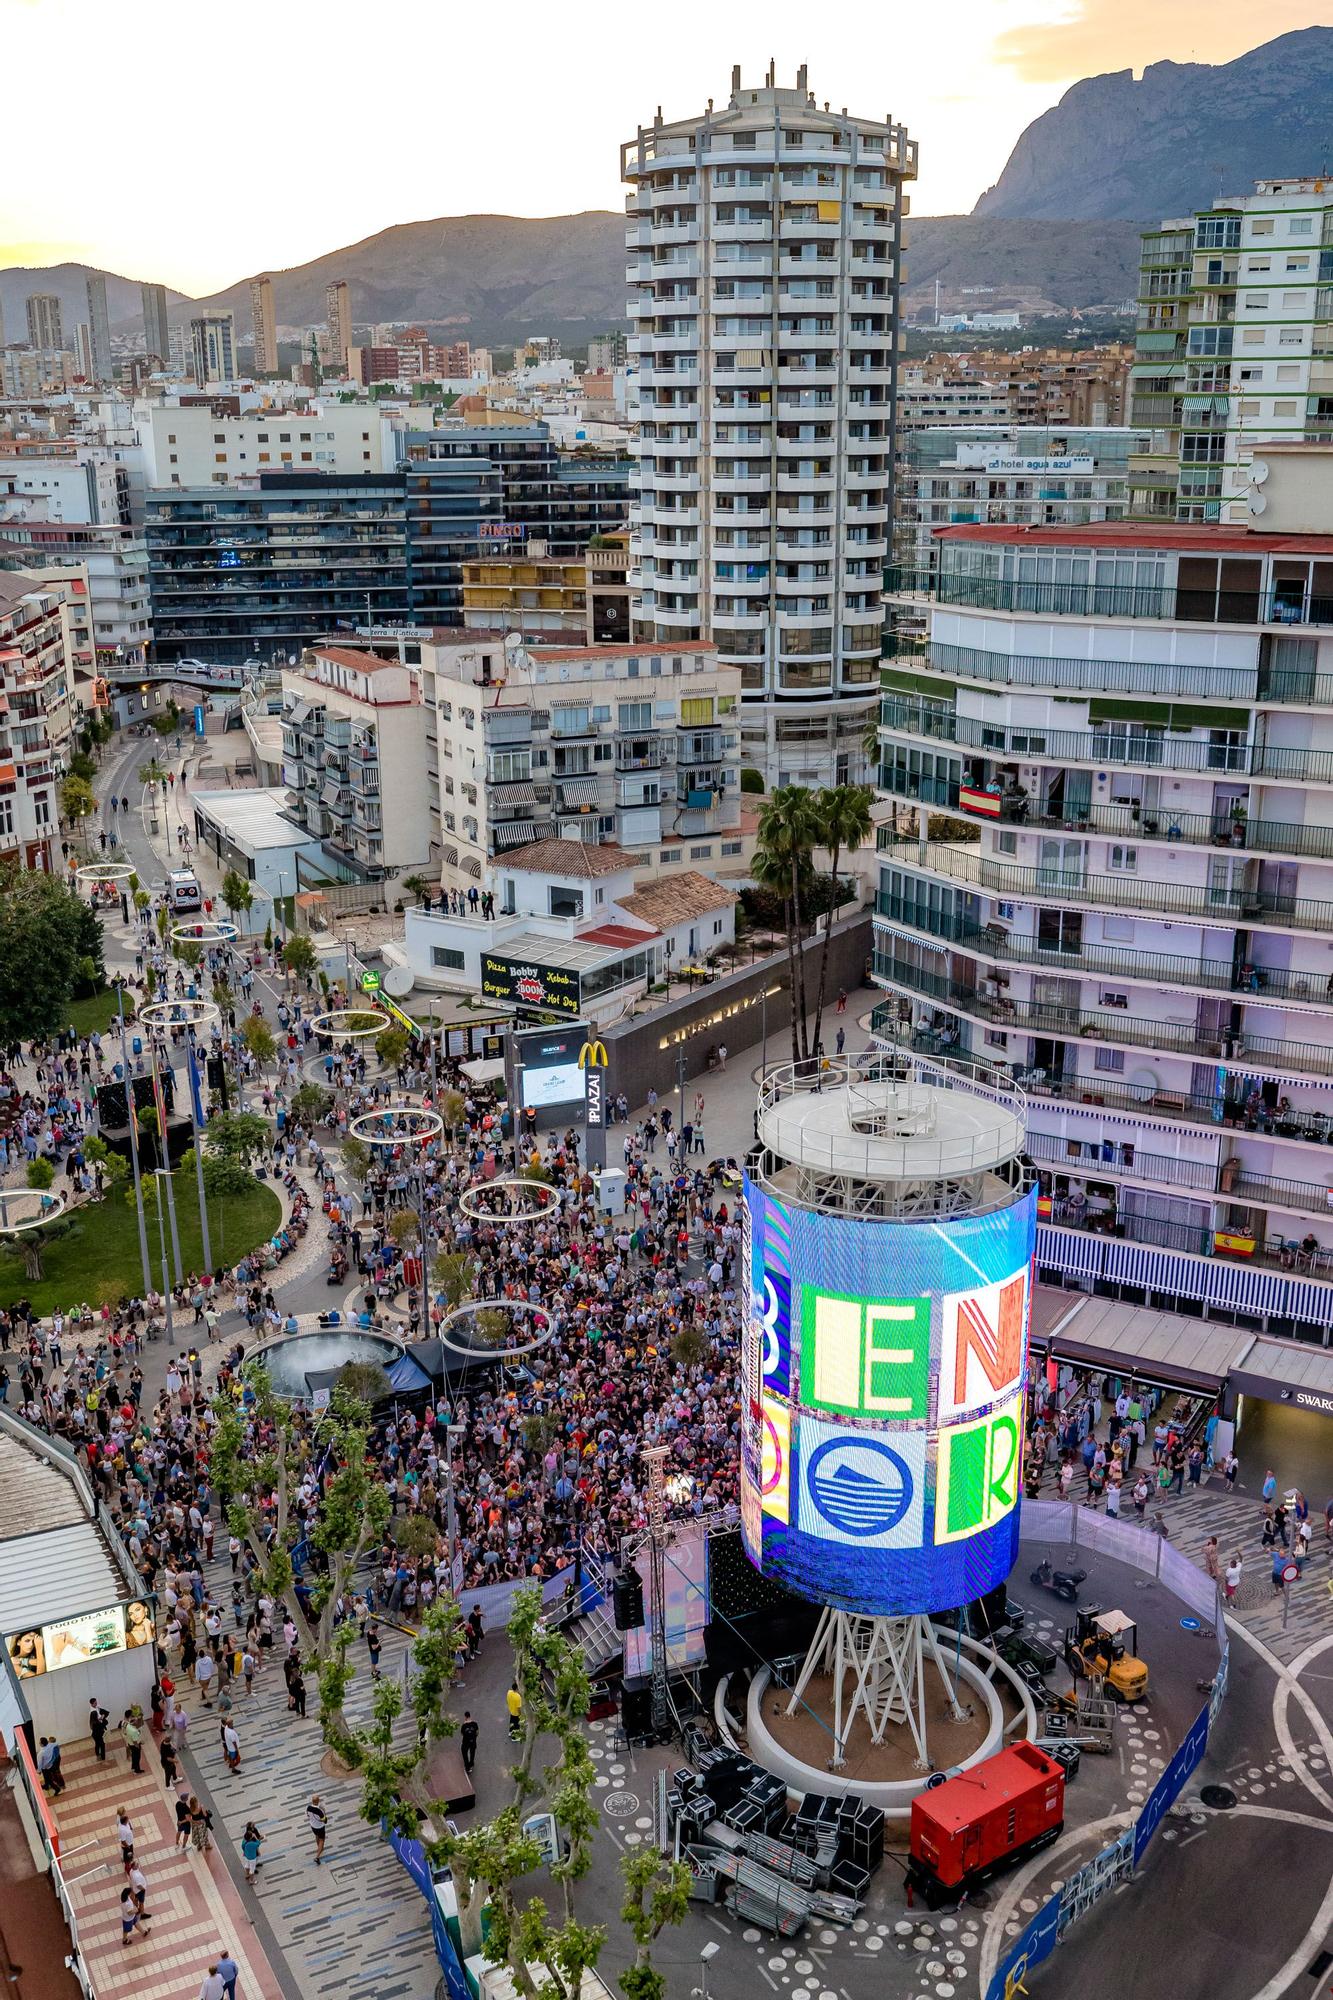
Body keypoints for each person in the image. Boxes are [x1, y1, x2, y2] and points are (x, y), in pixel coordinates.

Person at [121, 1885, 150, 1949]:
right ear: (128, 1894)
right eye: (130, 1893)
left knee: (136, 1923)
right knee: (126, 1930)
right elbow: (129, 1913)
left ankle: (143, 1932)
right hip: (128, 1919)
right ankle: (124, 1940)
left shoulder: (125, 1898)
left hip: (132, 1917)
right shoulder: (126, 1904)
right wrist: (136, 1910)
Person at [307, 1794, 328, 1865]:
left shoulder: (308, 1808)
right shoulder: (319, 1811)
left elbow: (308, 1815)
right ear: (318, 1801)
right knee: (322, 1839)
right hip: (320, 1827)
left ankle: (319, 1848)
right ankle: (317, 1857)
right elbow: (324, 1820)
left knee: (317, 1836)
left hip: (313, 1826)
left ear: (312, 1801)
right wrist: (324, 1811)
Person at [89, 1697, 110, 1761]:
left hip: (97, 1731)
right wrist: (101, 1718)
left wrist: (102, 1717)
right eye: (95, 1703)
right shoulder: (93, 1712)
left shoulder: (97, 1708)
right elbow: (98, 1721)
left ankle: (99, 1755)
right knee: (101, 1744)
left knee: (98, 1744)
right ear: (92, 1704)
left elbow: (105, 1712)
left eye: (96, 1702)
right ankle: (101, 1757)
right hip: (97, 1732)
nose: (96, 1704)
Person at [124, 1708, 144, 1773]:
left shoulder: (128, 1725)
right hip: (135, 1745)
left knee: (133, 1756)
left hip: (130, 1743)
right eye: (137, 1722)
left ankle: (133, 1767)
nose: (137, 1722)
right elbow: (135, 1742)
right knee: (137, 1757)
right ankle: (137, 1769)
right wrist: (138, 1746)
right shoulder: (134, 1731)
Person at [460, 1710, 478, 1777]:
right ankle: (471, 1763)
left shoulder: (464, 1725)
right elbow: (477, 1732)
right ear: (470, 1716)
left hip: (465, 1742)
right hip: (473, 1741)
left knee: (464, 1753)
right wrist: (474, 1737)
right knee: (472, 1752)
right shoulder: (475, 1724)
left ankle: (467, 1767)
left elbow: (462, 1733)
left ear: (465, 1717)